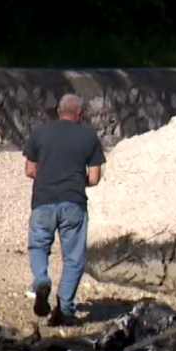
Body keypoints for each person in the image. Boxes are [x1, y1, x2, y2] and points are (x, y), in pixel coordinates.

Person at [23, 93, 105, 326]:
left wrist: (50, 177)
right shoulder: (89, 136)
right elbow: (95, 177)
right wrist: (78, 181)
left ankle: (41, 280)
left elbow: (29, 170)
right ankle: (66, 309)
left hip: (43, 201)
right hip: (74, 203)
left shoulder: (40, 133)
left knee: (39, 246)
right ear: (80, 114)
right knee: (74, 258)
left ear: (59, 111)